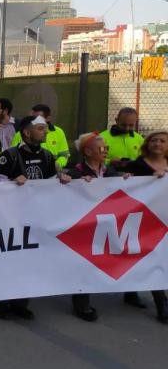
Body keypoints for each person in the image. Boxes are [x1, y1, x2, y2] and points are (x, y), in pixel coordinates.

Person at [0, 116, 72, 320]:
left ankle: (21, 302)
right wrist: (10, 180)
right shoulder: (9, 155)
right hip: (12, 217)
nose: (45, 132)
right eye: (41, 129)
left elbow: (53, 180)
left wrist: (63, 177)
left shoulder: (47, 155)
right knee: (9, 260)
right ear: (27, 132)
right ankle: (2, 303)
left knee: (31, 261)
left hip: (37, 217)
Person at [64, 132, 130, 322]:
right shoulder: (75, 172)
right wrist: (66, 180)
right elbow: (59, 190)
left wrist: (126, 179)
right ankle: (82, 305)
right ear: (87, 151)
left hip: (104, 225)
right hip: (83, 227)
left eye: (107, 147)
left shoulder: (109, 172)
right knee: (83, 263)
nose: (106, 151)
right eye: (102, 148)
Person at [124, 131, 168, 323]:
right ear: (147, 144)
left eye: (162, 141)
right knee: (152, 258)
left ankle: (129, 292)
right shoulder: (137, 165)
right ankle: (162, 305)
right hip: (144, 220)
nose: (157, 144)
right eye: (154, 140)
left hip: (164, 218)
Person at [11, 104, 70, 169]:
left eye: (38, 118)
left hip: (52, 173)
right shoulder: (21, 134)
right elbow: (13, 157)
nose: (34, 121)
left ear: (48, 118)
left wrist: (55, 165)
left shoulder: (58, 132)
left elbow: (64, 155)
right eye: (32, 118)